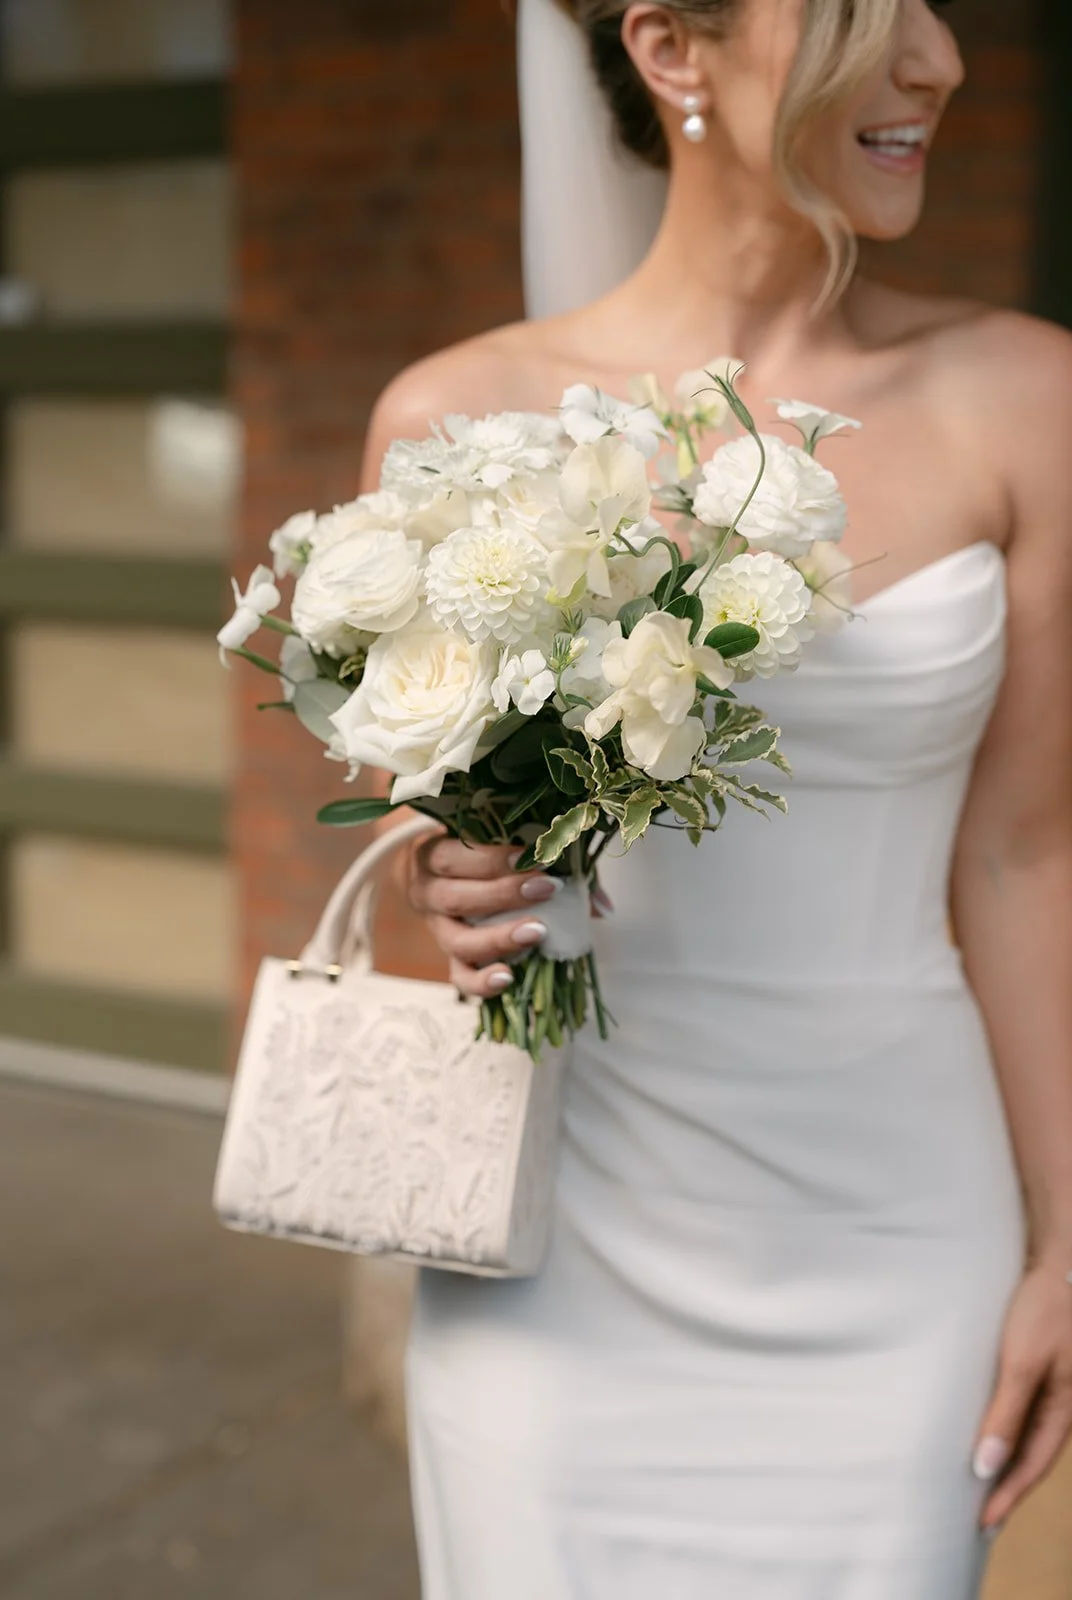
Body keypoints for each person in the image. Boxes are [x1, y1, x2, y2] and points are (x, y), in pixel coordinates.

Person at [358, 1, 1072, 1594]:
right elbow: (447, 869)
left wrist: (1071, 1237)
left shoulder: (1033, 401)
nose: (938, 59)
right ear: (674, 48)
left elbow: (1029, 858)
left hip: (902, 1248)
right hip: (563, 1262)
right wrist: (450, 869)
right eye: (867, 12)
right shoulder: (452, 423)